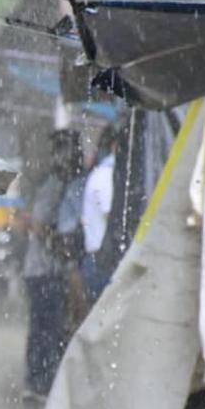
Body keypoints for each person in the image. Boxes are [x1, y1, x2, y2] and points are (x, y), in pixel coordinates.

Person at [20, 129, 84, 401]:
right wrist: (53, 237)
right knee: (47, 329)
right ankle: (40, 383)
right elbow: (39, 227)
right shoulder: (56, 186)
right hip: (45, 271)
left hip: (43, 271)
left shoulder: (57, 185)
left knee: (45, 329)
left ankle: (38, 381)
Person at [80, 127, 116, 304]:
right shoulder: (106, 175)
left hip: (99, 258)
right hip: (102, 260)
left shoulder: (103, 173)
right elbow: (112, 214)